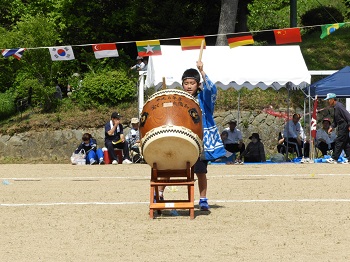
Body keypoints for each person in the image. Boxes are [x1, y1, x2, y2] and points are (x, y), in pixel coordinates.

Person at [157, 61, 226, 211]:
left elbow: (212, 89)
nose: (189, 86)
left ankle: (203, 199)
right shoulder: (178, 99)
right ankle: (160, 194)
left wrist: (202, 71)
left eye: (192, 83)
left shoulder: (204, 99)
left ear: (198, 85)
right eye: (186, 83)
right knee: (169, 167)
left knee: (201, 171)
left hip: (199, 141)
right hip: (181, 139)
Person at [324, 93, 350, 164]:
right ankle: (349, 158)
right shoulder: (336, 107)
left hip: (344, 126)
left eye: (329, 99)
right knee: (346, 143)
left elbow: (347, 116)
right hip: (341, 126)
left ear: (332, 99)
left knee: (339, 141)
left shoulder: (339, 106)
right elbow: (336, 120)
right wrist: (332, 126)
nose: (328, 101)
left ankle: (334, 158)